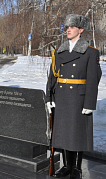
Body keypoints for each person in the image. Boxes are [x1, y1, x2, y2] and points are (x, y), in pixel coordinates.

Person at [46, 14, 102, 179]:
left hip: (79, 97)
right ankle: (66, 166)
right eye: (67, 27)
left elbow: (93, 78)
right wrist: (49, 97)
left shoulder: (90, 52)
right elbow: (52, 76)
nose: (68, 30)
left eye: (72, 27)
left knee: (77, 133)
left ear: (81, 30)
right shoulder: (59, 51)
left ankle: (76, 168)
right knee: (63, 132)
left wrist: (89, 102)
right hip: (62, 96)